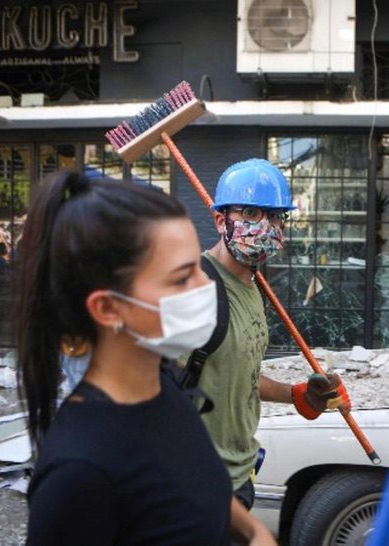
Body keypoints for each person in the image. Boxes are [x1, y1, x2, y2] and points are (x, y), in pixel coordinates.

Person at [16, 171, 274, 545]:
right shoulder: (78, 473)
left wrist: (253, 531)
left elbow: (195, 482)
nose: (206, 288)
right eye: (183, 278)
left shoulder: (165, 387)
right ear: (108, 308)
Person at [189, 158, 352, 509]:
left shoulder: (252, 286)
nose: (265, 226)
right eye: (250, 213)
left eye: (276, 216)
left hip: (240, 474)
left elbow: (237, 371)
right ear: (221, 220)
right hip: (194, 486)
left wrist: (296, 395)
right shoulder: (194, 289)